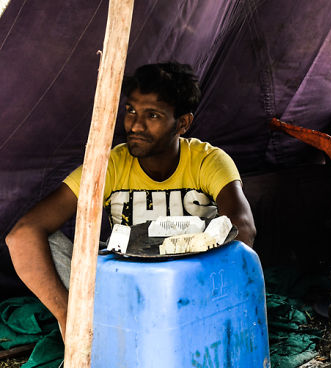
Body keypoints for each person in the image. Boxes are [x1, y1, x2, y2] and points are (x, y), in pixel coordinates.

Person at [5, 62, 257, 341]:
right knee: (47, 241)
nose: (136, 125)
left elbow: (243, 229)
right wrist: (69, 316)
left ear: (182, 123)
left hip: (192, 293)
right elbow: (22, 235)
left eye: (153, 115)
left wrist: (190, 288)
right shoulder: (109, 164)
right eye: (131, 111)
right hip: (123, 296)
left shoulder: (207, 160)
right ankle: (94, 324)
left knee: (231, 245)